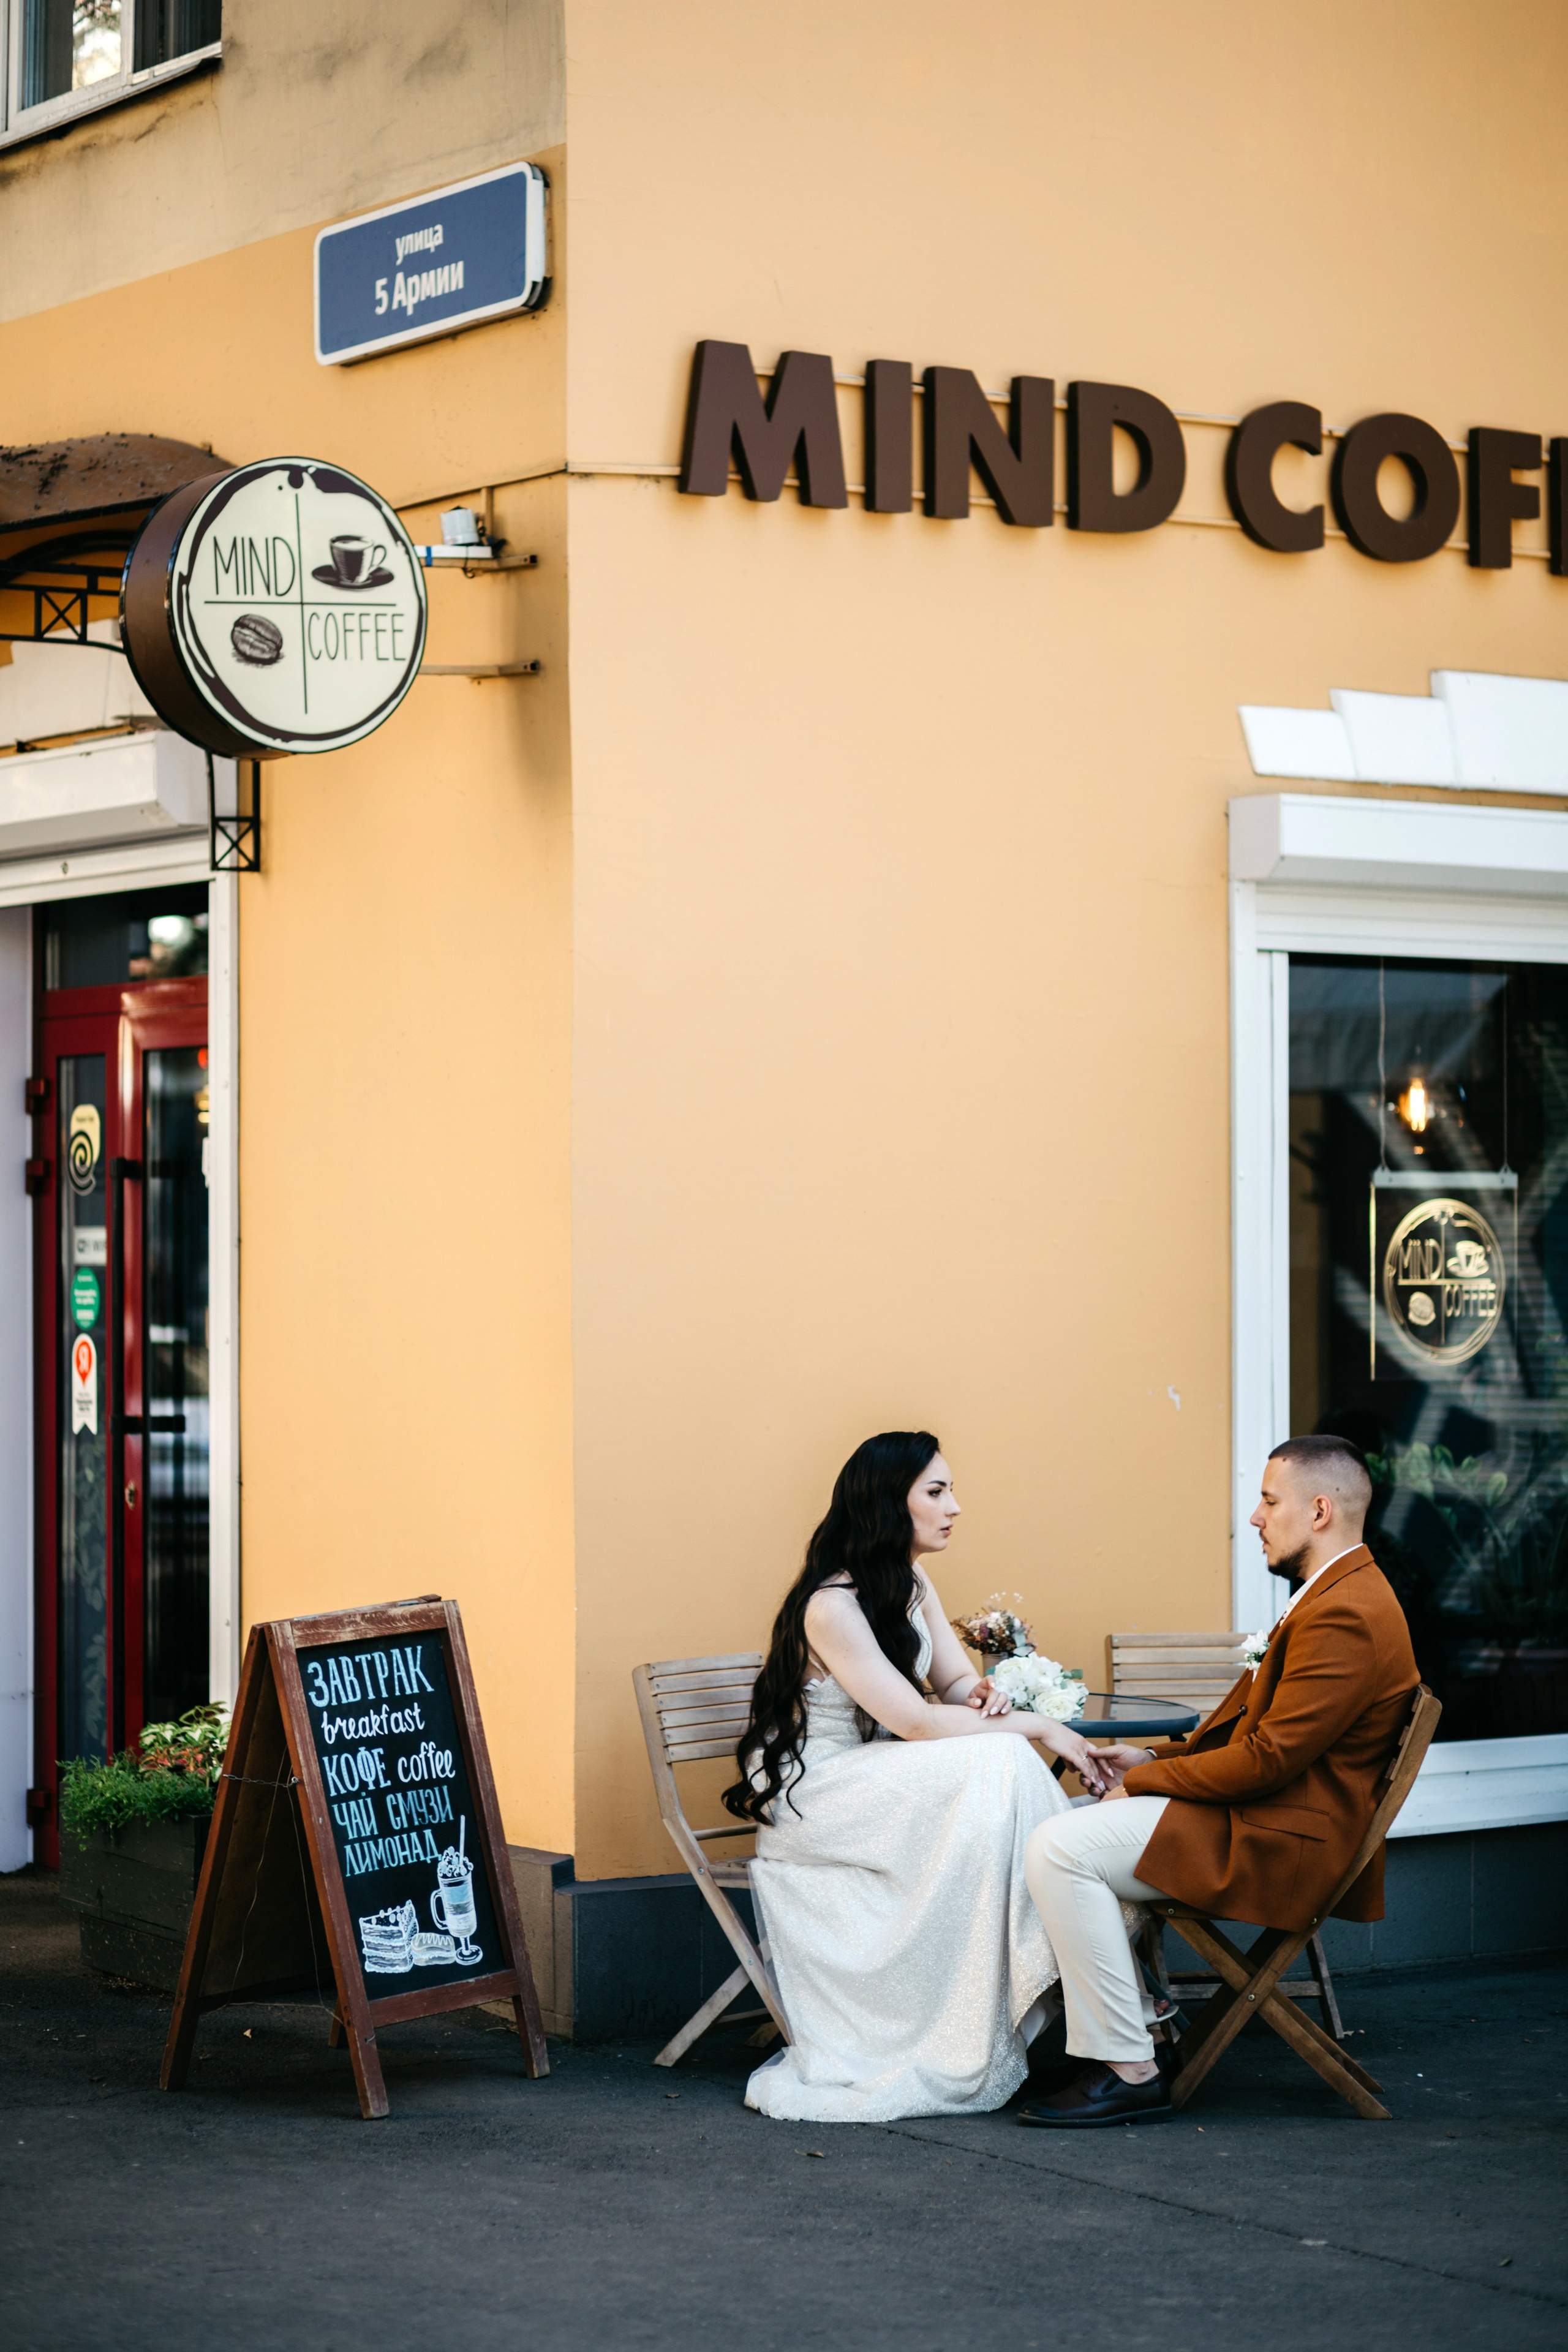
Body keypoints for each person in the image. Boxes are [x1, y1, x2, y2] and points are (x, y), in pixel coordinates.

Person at [1017, 1434, 1420, 2127]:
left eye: (1269, 1501)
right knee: (1052, 1830)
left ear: (1319, 1510)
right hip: (1266, 1815)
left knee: (1060, 1848)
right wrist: (1152, 1763)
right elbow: (1261, 1741)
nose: (1256, 1518)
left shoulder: (1347, 1612)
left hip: (1281, 1841)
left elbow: (1268, 1760)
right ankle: (1132, 2027)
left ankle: (1129, 2064)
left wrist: (1144, 1787)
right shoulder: (1335, 1594)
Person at [726, 1430, 1118, 2124]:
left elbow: (952, 1681)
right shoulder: (831, 1605)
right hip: (821, 1792)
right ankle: (1087, 1959)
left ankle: (1075, 1964)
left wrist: (984, 1696)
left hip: (878, 1771)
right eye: (936, 1492)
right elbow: (913, 1723)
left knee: (996, 1761)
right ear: (886, 1503)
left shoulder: (909, 1580)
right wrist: (1039, 1725)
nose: (955, 1506)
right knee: (1001, 1759)